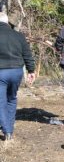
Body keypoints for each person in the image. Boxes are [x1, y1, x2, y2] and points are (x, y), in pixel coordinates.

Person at [0, 12, 36, 141]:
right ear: (7, 22)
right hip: (16, 71)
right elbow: (27, 54)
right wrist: (31, 70)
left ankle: (6, 130)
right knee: (11, 98)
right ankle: (9, 128)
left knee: (1, 101)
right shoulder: (18, 35)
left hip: (1, 72)